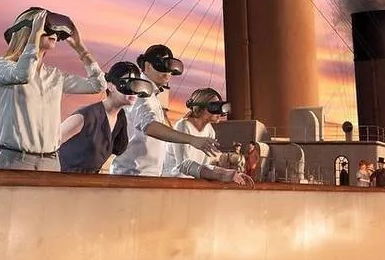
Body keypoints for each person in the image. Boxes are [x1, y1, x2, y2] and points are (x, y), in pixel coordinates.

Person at [0, 7, 106, 171]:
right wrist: (34, 37)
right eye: (46, 27)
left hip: (51, 162)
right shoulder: (1, 66)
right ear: (29, 30)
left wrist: (80, 48)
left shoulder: (54, 76)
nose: (54, 34)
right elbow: (23, 75)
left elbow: (98, 85)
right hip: (15, 160)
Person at [110, 44, 219, 176]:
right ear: (147, 66)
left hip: (144, 175)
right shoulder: (140, 93)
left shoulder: (151, 95)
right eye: (162, 65)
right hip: (132, 175)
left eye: (170, 67)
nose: (168, 72)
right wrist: (192, 140)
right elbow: (150, 126)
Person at [58, 61, 153, 173]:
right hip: (63, 178)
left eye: (136, 85)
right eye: (126, 84)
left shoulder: (121, 119)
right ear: (110, 86)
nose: (133, 91)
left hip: (90, 181)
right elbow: (51, 145)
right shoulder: (85, 117)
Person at [163, 87, 253, 184]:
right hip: (171, 182)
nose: (219, 112)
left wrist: (232, 174)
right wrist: (222, 175)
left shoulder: (210, 131)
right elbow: (183, 165)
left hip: (192, 184)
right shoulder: (183, 126)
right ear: (199, 108)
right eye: (214, 107)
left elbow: (205, 166)